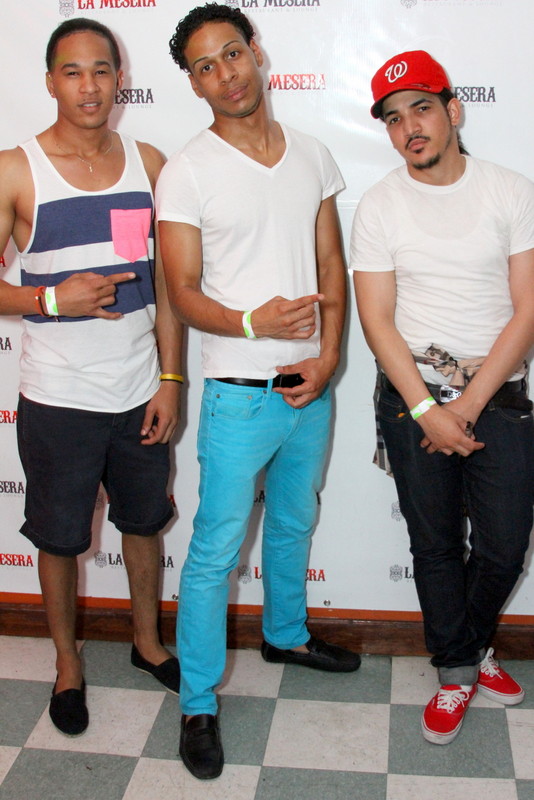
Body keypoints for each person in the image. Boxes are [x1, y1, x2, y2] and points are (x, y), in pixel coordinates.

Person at [157, 2, 360, 780]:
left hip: (311, 386)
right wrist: (250, 321)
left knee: (295, 521)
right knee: (215, 551)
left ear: (257, 52)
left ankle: (286, 635)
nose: (226, 74)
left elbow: (331, 263)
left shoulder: (312, 153)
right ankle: (197, 704)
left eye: (233, 53)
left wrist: (330, 355)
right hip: (238, 395)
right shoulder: (187, 171)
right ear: (194, 82)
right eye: (205, 66)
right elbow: (181, 291)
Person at [0, 18, 183, 736]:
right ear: (50, 81)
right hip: (57, 396)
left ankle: (146, 643)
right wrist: (51, 300)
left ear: (119, 79)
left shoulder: (150, 163)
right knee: (58, 538)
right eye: (73, 72)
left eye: (102, 70)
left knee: (143, 524)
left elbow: (168, 285)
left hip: (140, 389)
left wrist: (171, 379)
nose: (89, 86)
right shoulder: (16, 169)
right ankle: (67, 664)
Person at [351, 50, 534, 745]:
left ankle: (471, 643)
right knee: (433, 545)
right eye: (394, 119)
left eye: (422, 108)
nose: (410, 128)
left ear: (454, 110)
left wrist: (468, 406)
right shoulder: (379, 205)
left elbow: (528, 310)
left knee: (504, 546)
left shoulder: (510, 191)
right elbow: (376, 321)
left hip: (498, 392)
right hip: (411, 396)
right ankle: (457, 669)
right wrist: (429, 410)